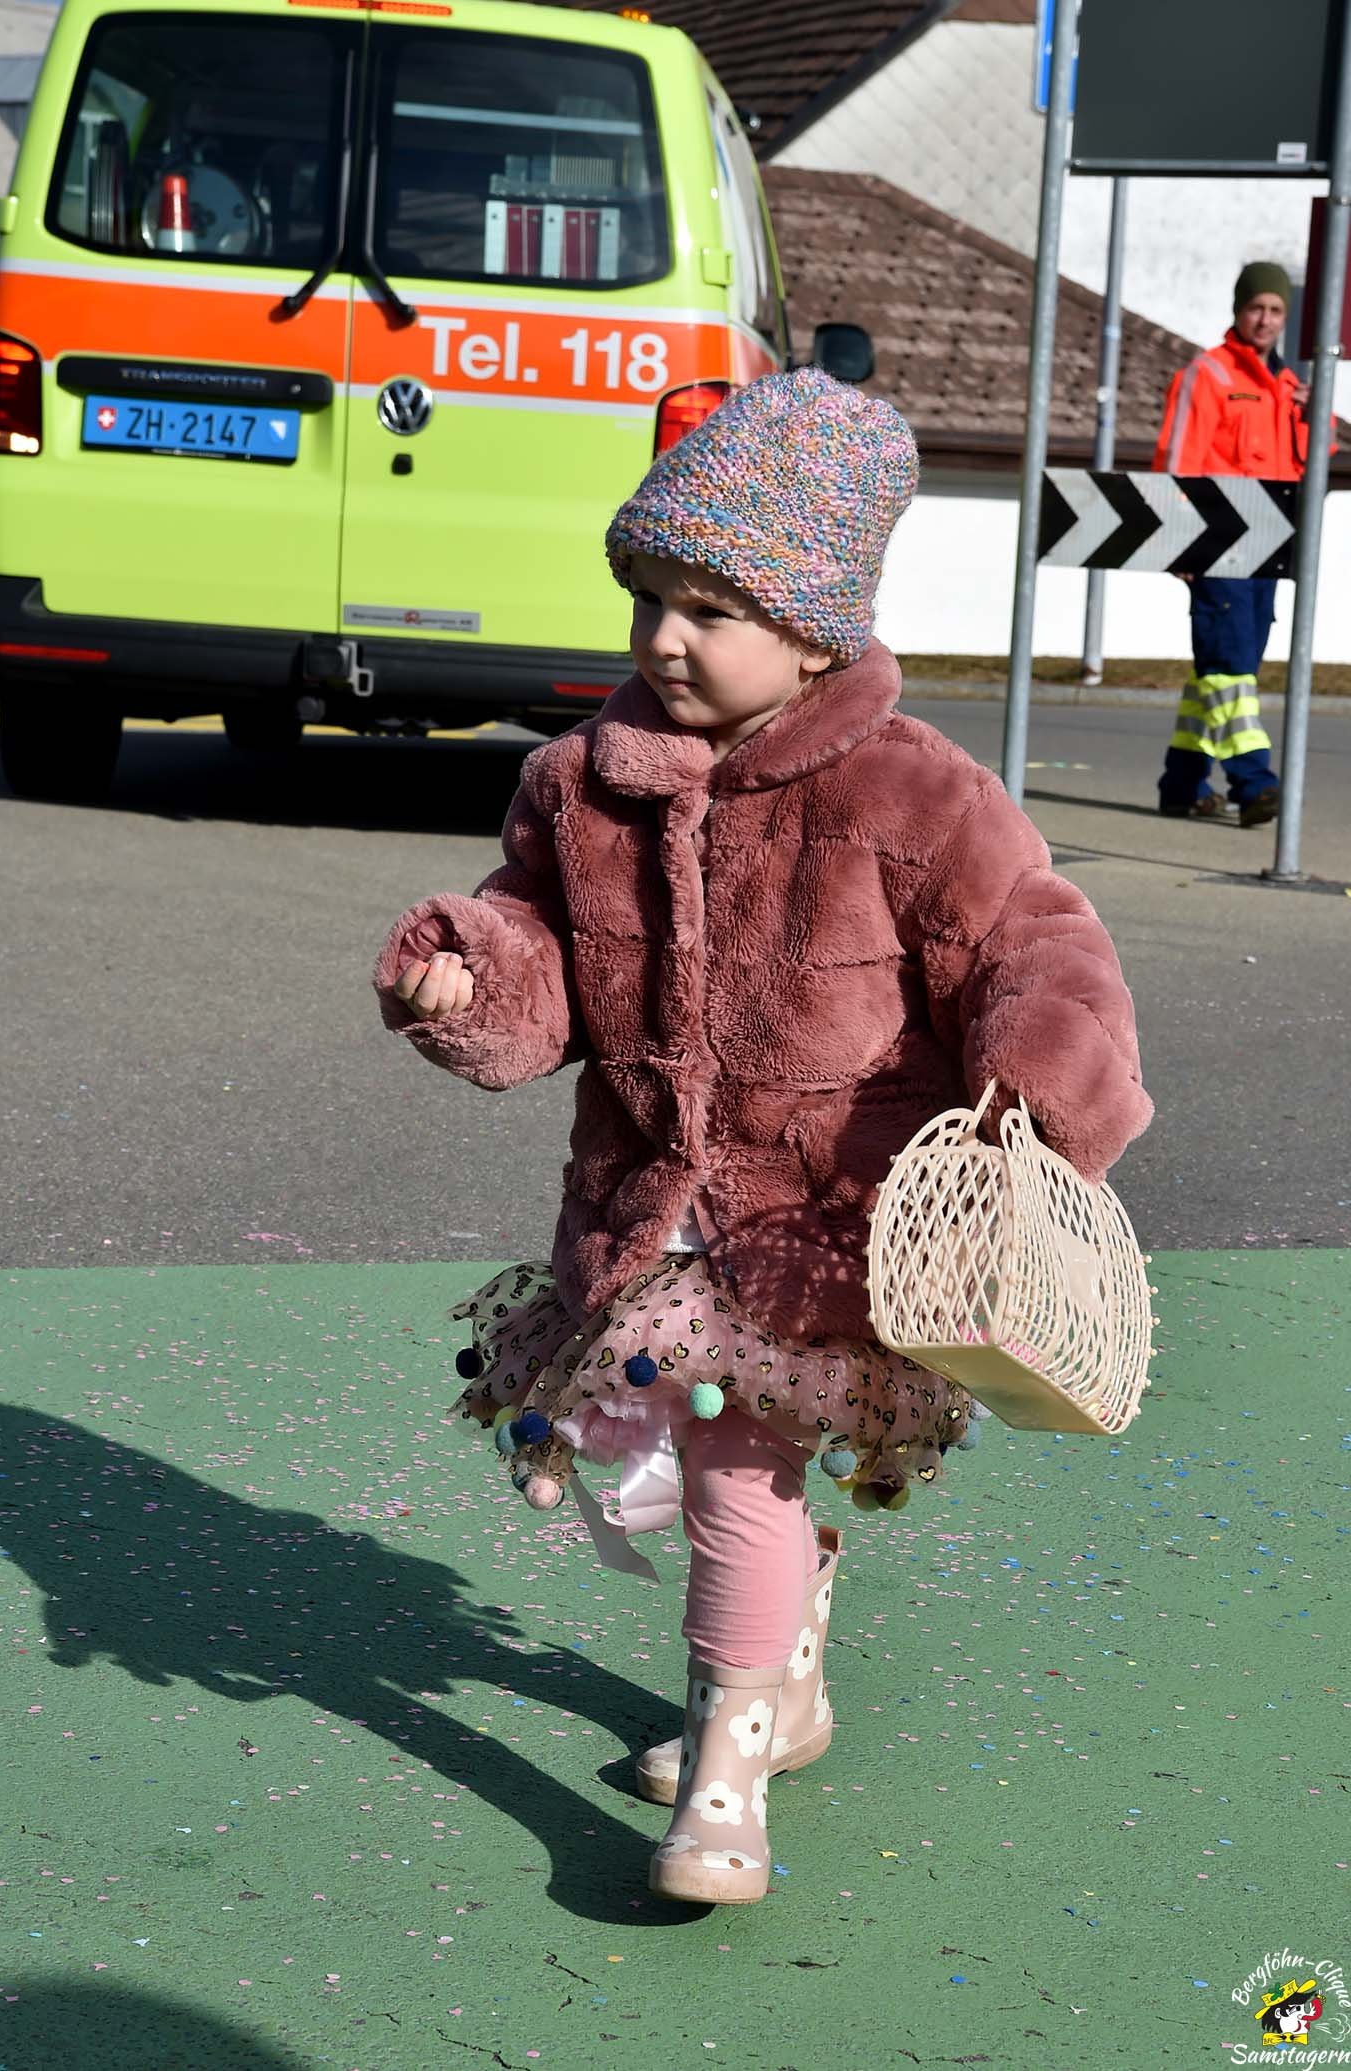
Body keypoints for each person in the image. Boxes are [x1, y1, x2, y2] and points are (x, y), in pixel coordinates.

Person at [373, 368, 1153, 1908]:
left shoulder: (911, 790)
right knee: (734, 1461)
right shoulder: (577, 785)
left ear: (813, 630)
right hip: (652, 1214)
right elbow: (543, 974)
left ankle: (728, 1754)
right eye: (649, 596)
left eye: (711, 606)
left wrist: (1039, 1085)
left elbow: (1035, 944)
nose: (665, 636)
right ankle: (788, 1675)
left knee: (738, 1467)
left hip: (824, 1224)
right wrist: (469, 969)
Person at [1152, 260, 1309, 824]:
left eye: (1275, 310)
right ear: (1237, 311)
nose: (1264, 320)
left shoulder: (1289, 384)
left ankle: (1183, 783)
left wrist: (1314, 419)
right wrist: (1182, 543)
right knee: (1229, 663)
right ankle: (1253, 780)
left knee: (1221, 668)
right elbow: (1176, 462)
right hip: (1215, 544)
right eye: (1255, 308)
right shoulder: (1209, 373)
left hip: (1269, 545)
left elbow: (1303, 466)